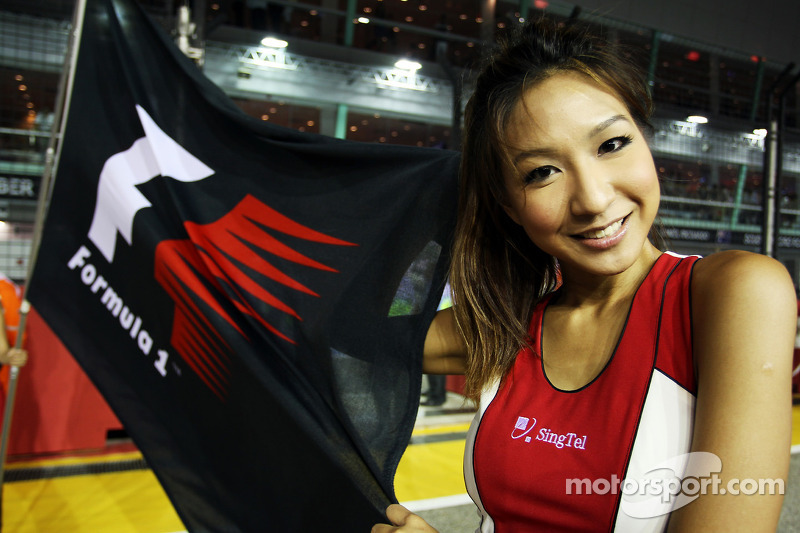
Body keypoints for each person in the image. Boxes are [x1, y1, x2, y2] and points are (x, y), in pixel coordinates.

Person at [373, 17, 794, 533]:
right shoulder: (505, 325)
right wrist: (432, 203)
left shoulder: (734, 292)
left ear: (644, 137)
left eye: (611, 144)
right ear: (508, 204)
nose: (594, 199)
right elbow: (356, 326)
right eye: (541, 172)